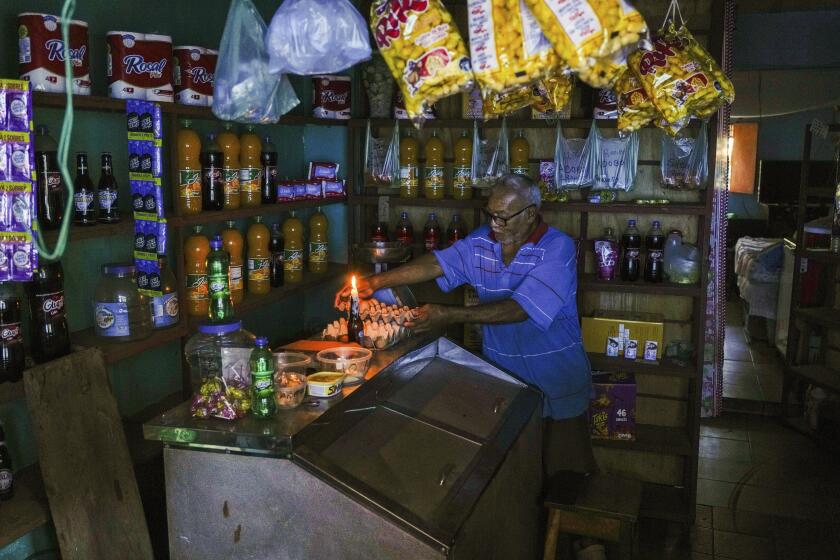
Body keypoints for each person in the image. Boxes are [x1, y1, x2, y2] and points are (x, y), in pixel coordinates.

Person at [335, 174, 596, 476]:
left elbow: (519, 309)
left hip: (556, 380)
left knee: (567, 474)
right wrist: (375, 282)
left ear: (530, 214)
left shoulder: (557, 248)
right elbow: (437, 263)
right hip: (506, 380)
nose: (494, 223)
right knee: (516, 474)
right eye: (490, 214)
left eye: (502, 217)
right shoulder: (483, 241)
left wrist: (448, 315)